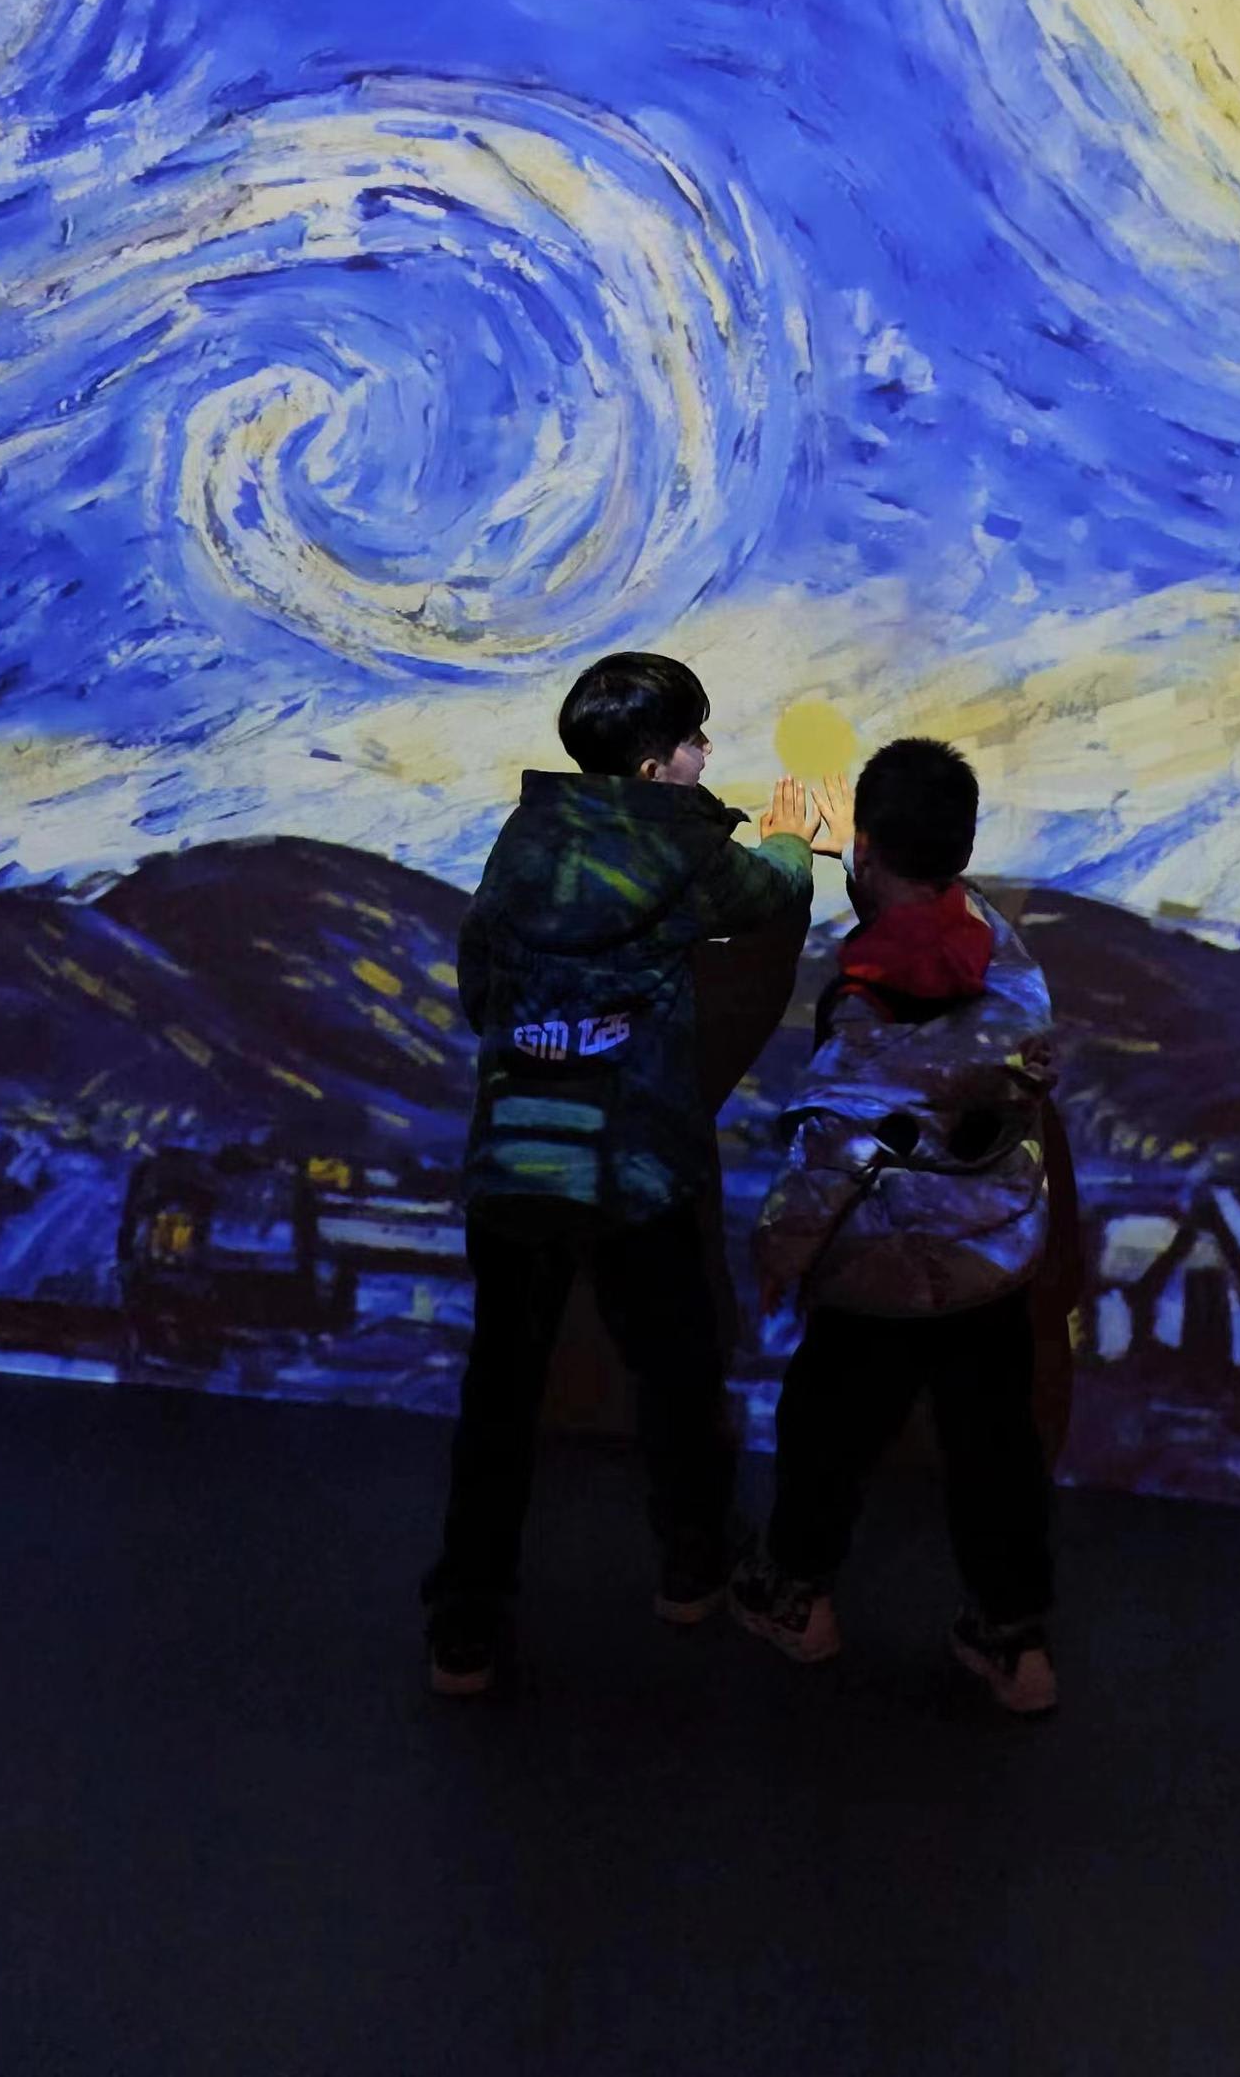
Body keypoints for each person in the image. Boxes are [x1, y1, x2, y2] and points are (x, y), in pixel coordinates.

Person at [422, 650, 818, 1696]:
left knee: (500, 1392)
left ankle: (464, 1628)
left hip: (516, 1156)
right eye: (693, 737)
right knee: (677, 1373)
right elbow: (773, 887)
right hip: (632, 1164)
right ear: (653, 767)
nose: (705, 751)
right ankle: (694, 1570)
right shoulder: (682, 845)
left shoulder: (527, 835)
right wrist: (792, 829)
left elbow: (478, 977)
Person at [729, 737, 1062, 1715]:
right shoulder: (1005, 955)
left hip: (879, 1272)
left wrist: (779, 1252)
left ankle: (796, 1599)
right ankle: (1015, 1643)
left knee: (825, 1435)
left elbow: (832, 1152)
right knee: (996, 1451)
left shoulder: (870, 1002)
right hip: (988, 1260)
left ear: (867, 848)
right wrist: (876, 863)